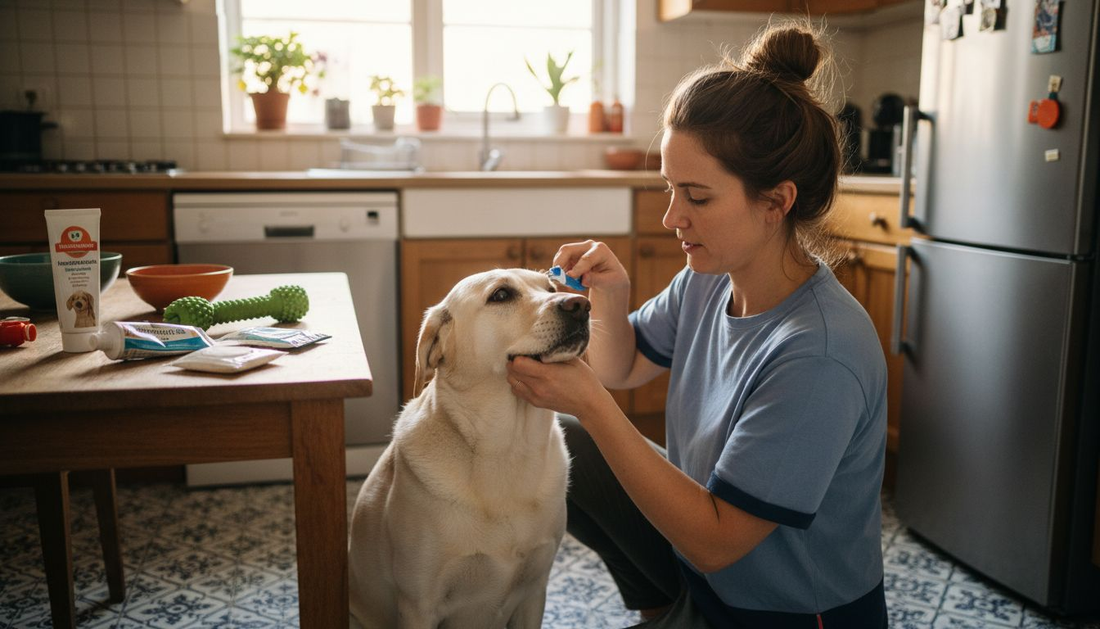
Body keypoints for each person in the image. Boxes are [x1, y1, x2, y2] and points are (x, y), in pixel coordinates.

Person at [506, 23, 889, 629]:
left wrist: (593, 401)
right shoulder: (712, 276)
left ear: (775, 202)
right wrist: (614, 295)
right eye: (669, 189)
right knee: (567, 438)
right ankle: (666, 610)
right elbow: (621, 367)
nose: (670, 216)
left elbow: (717, 541)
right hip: (704, 574)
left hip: (781, 613)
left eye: (697, 197)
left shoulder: (819, 352)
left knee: (589, 421)